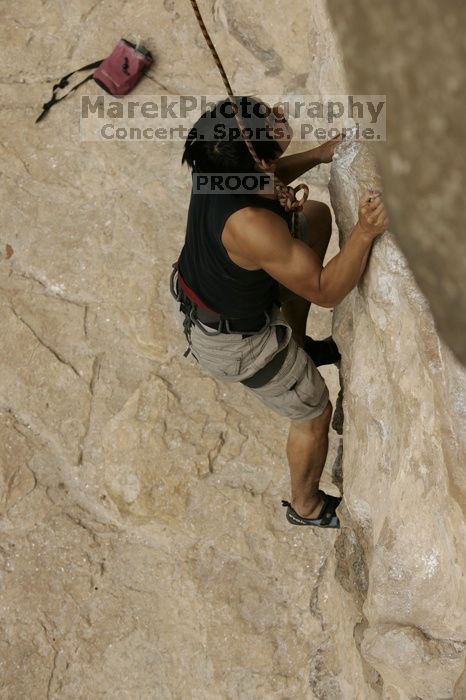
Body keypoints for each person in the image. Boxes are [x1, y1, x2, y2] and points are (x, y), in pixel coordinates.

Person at [170, 96, 389, 528]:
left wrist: (321, 154)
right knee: (313, 412)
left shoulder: (217, 167)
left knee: (314, 216)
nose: (279, 114)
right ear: (257, 157)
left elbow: (266, 177)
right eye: (269, 119)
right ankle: (305, 507)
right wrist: (365, 233)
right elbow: (326, 291)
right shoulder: (251, 225)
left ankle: (300, 345)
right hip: (236, 341)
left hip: (218, 294)